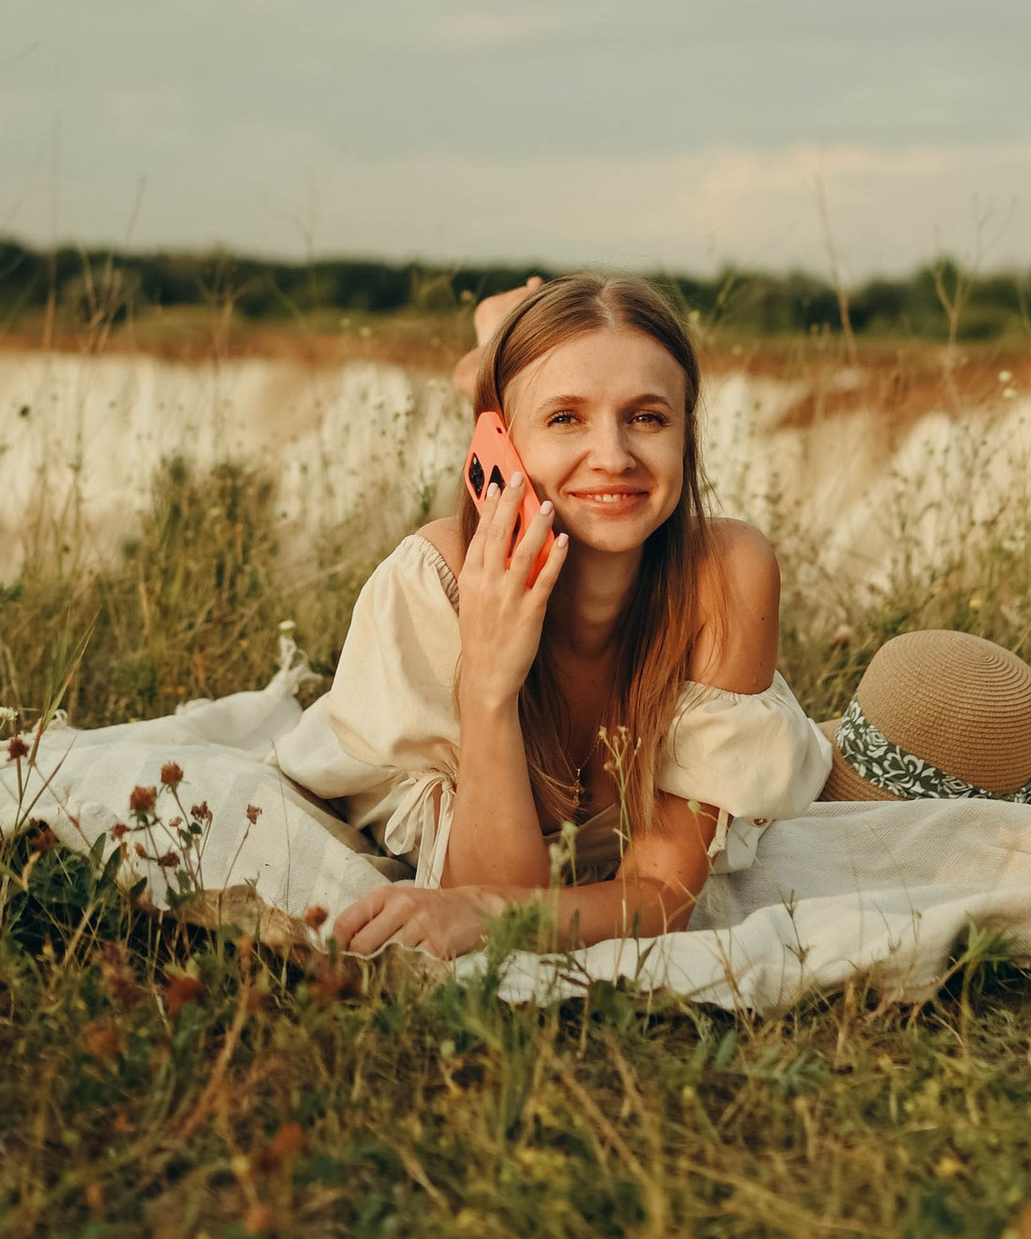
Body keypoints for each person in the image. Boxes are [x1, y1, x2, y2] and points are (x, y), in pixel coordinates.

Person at [285, 272, 829, 961]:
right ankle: (491, 364)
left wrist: (482, 912)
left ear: (687, 433)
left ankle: (506, 368)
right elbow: (489, 886)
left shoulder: (727, 573)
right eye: (566, 417)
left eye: (648, 417)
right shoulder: (432, 585)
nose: (614, 456)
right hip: (419, 719)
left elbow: (659, 891)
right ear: (497, 441)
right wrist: (488, 679)